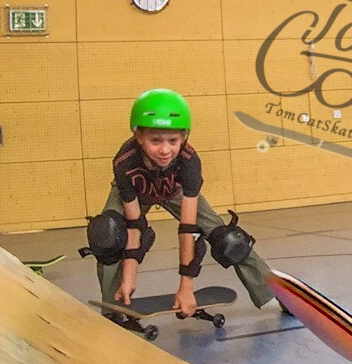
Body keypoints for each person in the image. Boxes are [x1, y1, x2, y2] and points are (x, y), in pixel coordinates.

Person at [84, 89, 279, 318]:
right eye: (155, 140)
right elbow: (134, 226)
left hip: (175, 191)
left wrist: (186, 288)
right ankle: (113, 307)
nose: (165, 150)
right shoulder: (124, 162)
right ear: (138, 137)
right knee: (107, 234)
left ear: (184, 137)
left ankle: (271, 294)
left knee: (228, 239)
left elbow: (188, 229)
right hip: (138, 191)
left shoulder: (189, 162)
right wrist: (129, 279)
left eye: (173, 141)